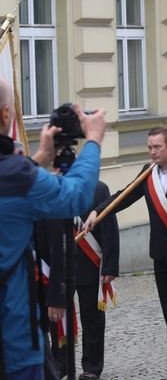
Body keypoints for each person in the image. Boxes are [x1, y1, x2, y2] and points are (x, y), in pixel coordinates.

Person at [0, 75, 106, 379]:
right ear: (7, 115)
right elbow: (76, 196)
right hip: (13, 343)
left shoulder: (18, 174)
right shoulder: (16, 175)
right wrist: (94, 140)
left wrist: (38, 160)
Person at [93, 127, 167, 380]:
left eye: (157, 147)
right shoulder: (148, 174)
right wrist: (98, 211)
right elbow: (123, 197)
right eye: (149, 147)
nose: (152, 152)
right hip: (160, 255)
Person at [49, 177, 119, 380]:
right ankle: (61, 362)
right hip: (61, 265)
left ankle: (92, 365)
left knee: (92, 318)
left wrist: (110, 266)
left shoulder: (98, 188)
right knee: (58, 317)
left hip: (90, 262)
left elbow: (109, 226)